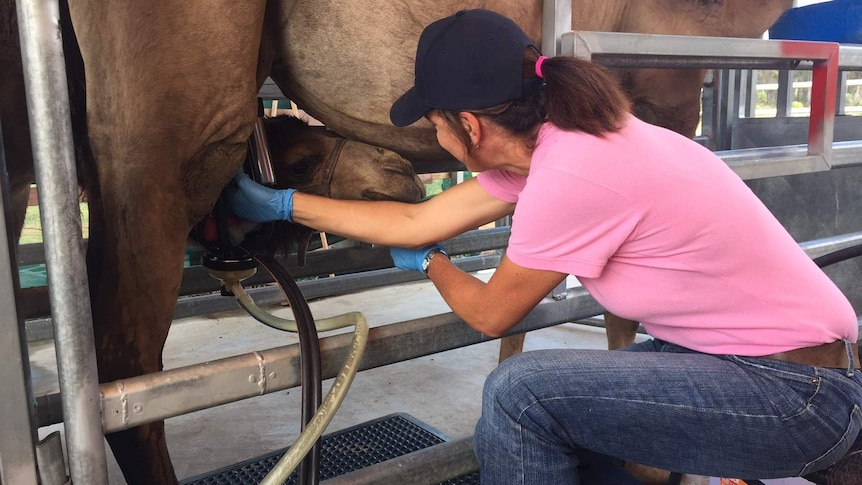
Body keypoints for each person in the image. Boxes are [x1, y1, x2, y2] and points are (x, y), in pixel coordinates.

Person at [225, 9, 862, 484]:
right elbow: (416, 222)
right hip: (765, 369)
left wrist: (433, 264)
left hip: (796, 395)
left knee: (519, 393)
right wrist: (282, 203)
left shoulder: (572, 171)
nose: (436, 132)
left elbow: (491, 313)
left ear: (467, 126)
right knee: (565, 409)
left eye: (435, 122)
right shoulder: (563, 144)